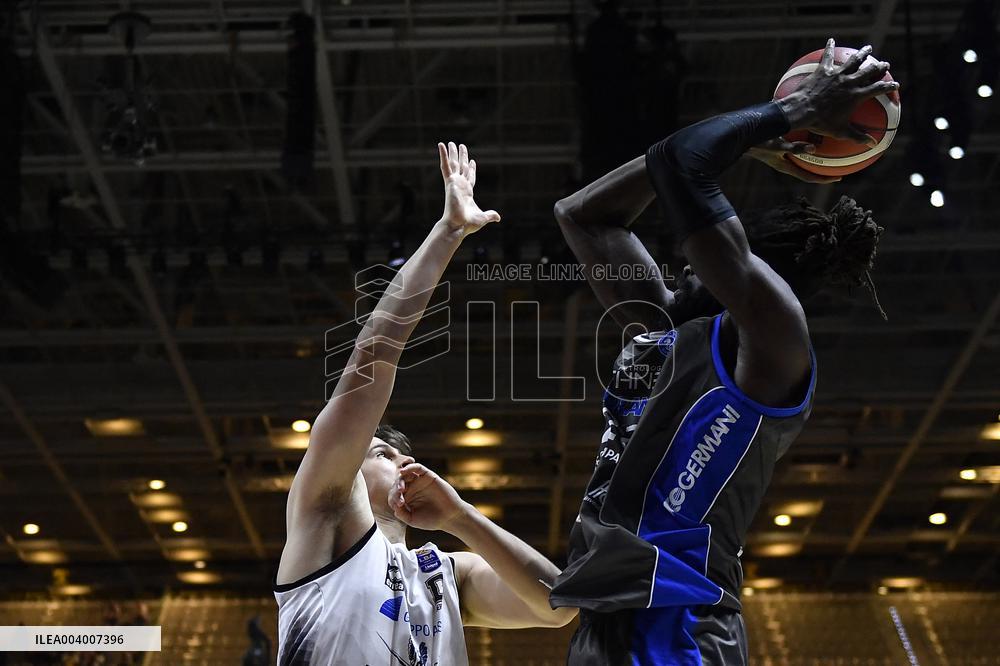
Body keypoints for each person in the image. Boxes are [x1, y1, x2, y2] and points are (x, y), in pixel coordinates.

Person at [548, 39, 893, 664]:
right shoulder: (658, 334)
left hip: (681, 621)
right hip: (604, 621)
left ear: (749, 276)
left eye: (695, 263)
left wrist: (792, 113)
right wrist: (763, 133)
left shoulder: (772, 341)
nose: (678, 268)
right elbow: (584, 215)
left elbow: (683, 166)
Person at [274, 142, 576, 665]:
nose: (395, 461)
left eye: (395, 453)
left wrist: (460, 517)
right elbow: (373, 356)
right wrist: (448, 232)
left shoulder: (445, 574)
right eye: (376, 453)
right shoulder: (322, 518)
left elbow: (557, 605)